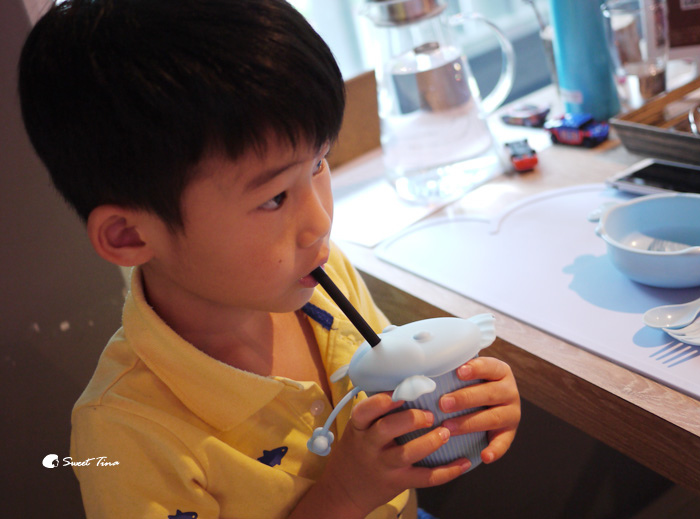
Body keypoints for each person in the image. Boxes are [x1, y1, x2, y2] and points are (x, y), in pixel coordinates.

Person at [18, 1, 521, 517]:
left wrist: (463, 408)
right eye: (274, 197)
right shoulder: (125, 433)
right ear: (129, 235)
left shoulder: (321, 275)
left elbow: (398, 398)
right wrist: (345, 494)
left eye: (319, 163)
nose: (319, 222)